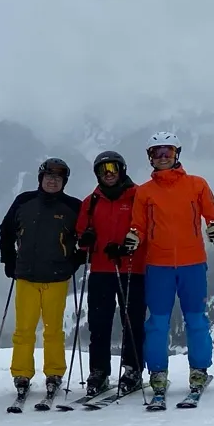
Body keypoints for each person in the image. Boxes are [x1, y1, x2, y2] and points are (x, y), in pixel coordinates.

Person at [124, 131, 214, 403]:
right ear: (150, 158)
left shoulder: (197, 184)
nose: (162, 158)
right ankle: (157, 372)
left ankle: (198, 371)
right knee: (157, 323)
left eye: (167, 152)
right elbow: (139, 225)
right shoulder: (145, 192)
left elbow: (213, 214)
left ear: (176, 154)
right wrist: (134, 236)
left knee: (196, 319)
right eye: (157, 153)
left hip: (192, 264)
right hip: (158, 265)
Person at [0, 157, 84, 400]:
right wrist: (9, 260)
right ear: (40, 178)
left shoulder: (72, 206)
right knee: (24, 329)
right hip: (26, 276)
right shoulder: (24, 201)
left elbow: (87, 238)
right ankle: (22, 373)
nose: (53, 181)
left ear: (64, 182)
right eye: (49, 177)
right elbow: (6, 231)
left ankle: (54, 372)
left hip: (57, 278)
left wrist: (73, 261)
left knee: (53, 330)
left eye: (58, 178)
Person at [75, 151, 147, 398]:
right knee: (99, 324)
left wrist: (129, 245)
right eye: (103, 170)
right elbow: (81, 234)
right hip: (101, 270)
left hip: (132, 268)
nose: (108, 174)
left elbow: (147, 228)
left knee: (133, 321)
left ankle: (133, 369)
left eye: (112, 168)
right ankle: (99, 371)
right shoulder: (92, 201)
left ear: (122, 169)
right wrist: (86, 240)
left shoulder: (139, 196)